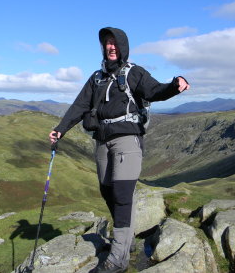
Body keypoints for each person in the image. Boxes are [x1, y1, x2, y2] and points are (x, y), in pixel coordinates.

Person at [49, 27, 189, 273]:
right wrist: (61, 129)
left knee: (123, 195)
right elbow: (80, 105)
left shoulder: (134, 73)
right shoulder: (96, 77)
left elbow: (154, 91)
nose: (110, 47)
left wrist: (174, 86)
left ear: (122, 47)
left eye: (114, 43)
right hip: (102, 141)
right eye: (107, 43)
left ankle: (118, 260)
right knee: (107, 191)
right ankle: (127, 243)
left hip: (127, 140)